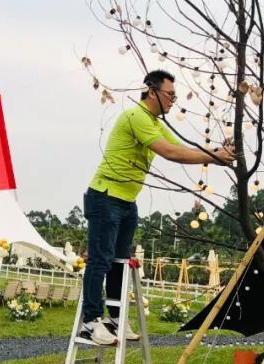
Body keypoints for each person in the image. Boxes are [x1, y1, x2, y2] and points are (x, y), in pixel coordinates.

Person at [81, 70, 235, 346]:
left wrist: (217, 154)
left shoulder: (153, 122)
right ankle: (90, 321)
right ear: (152, 91)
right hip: (105, 196)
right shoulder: (137, 116)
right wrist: (215, 157)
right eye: (170, 95)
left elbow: (182, 148)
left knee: (119, 264)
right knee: (101, 261)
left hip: (126, 201)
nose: (173, 101)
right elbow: (170, 152)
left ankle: (115, 319)